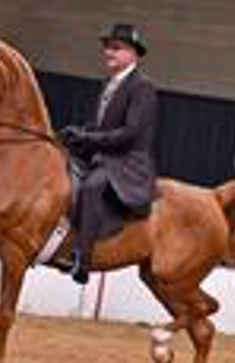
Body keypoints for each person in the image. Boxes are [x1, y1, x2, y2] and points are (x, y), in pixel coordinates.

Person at [61, 23, 158, 285]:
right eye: (107, 47)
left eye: (116, 48)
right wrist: (79, 133)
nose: (108, 52)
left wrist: (89, 138)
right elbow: (102, 126)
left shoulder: (143, 87)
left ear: (133, 54)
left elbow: (129, 133)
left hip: (126, 161)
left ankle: (83, 259)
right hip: (104, 154)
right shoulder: (109, 83)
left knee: (92, 187)